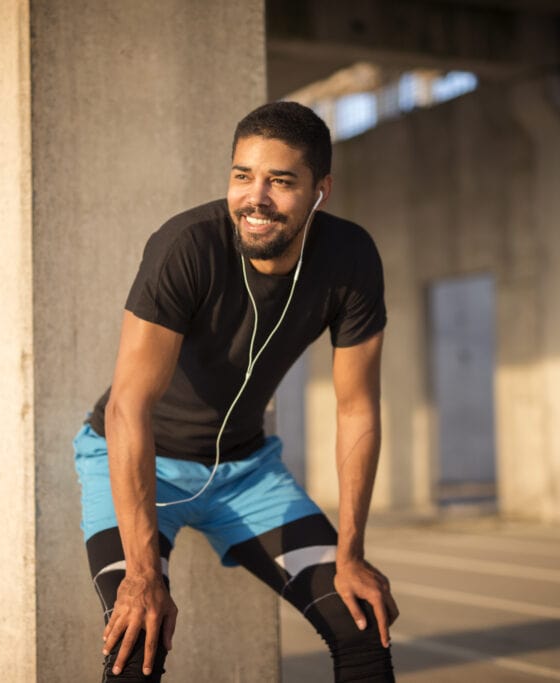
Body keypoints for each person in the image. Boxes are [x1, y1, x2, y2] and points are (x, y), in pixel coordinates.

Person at [74, 101, 398, 682]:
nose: (256, 198)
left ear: (320, 189)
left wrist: (350, 554)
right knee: (136, 641)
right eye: (242, 175)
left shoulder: (350, 259)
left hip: (248, 474)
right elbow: (128, 408)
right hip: (137, 458)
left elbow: (356, 410)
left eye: (281, 181)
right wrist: (143, 575)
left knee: (362, 624)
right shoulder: (187, 246)